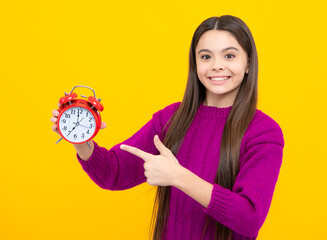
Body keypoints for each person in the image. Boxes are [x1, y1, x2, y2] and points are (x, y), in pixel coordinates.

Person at [51, 15, 284, 240]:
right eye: (205, 57)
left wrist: (179, 177)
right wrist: (80, 138)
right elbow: (114, 173)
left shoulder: (264, 132)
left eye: (229, 55)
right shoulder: (171, 118)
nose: (216, 66)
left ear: (248, 64)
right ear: (195, 64)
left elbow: (250, 218)